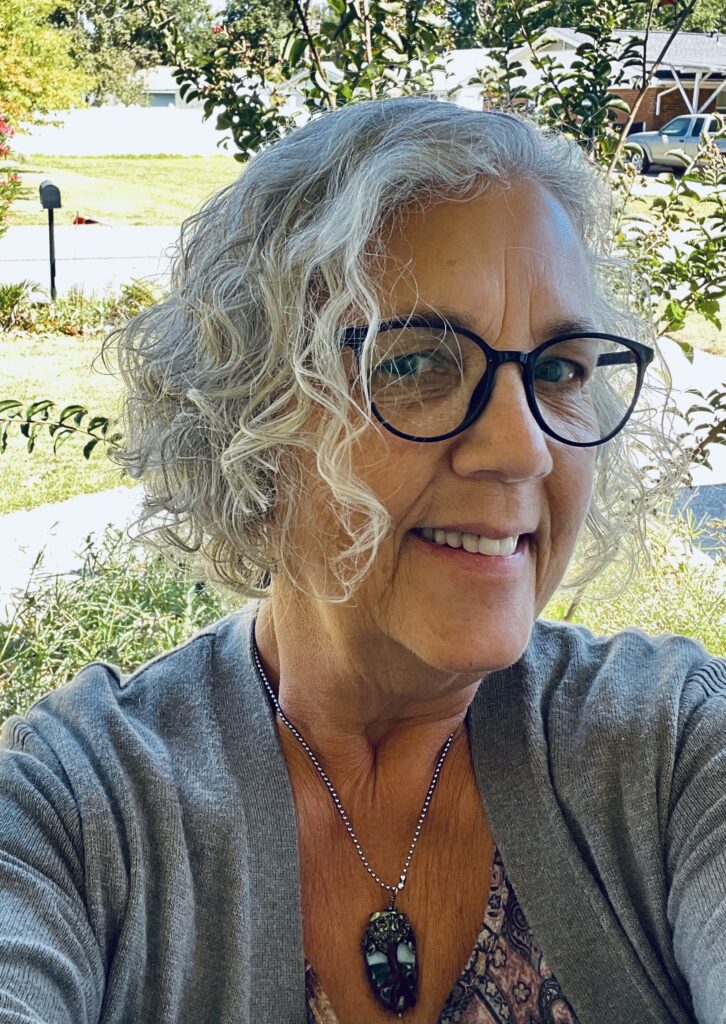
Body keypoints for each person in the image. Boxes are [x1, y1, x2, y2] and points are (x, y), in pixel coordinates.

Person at [0, 97, 724, 1024]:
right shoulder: (82, 814)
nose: (522, 450)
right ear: (252, 415)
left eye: (559, 370)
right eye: (417, 363)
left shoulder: (673, 753)